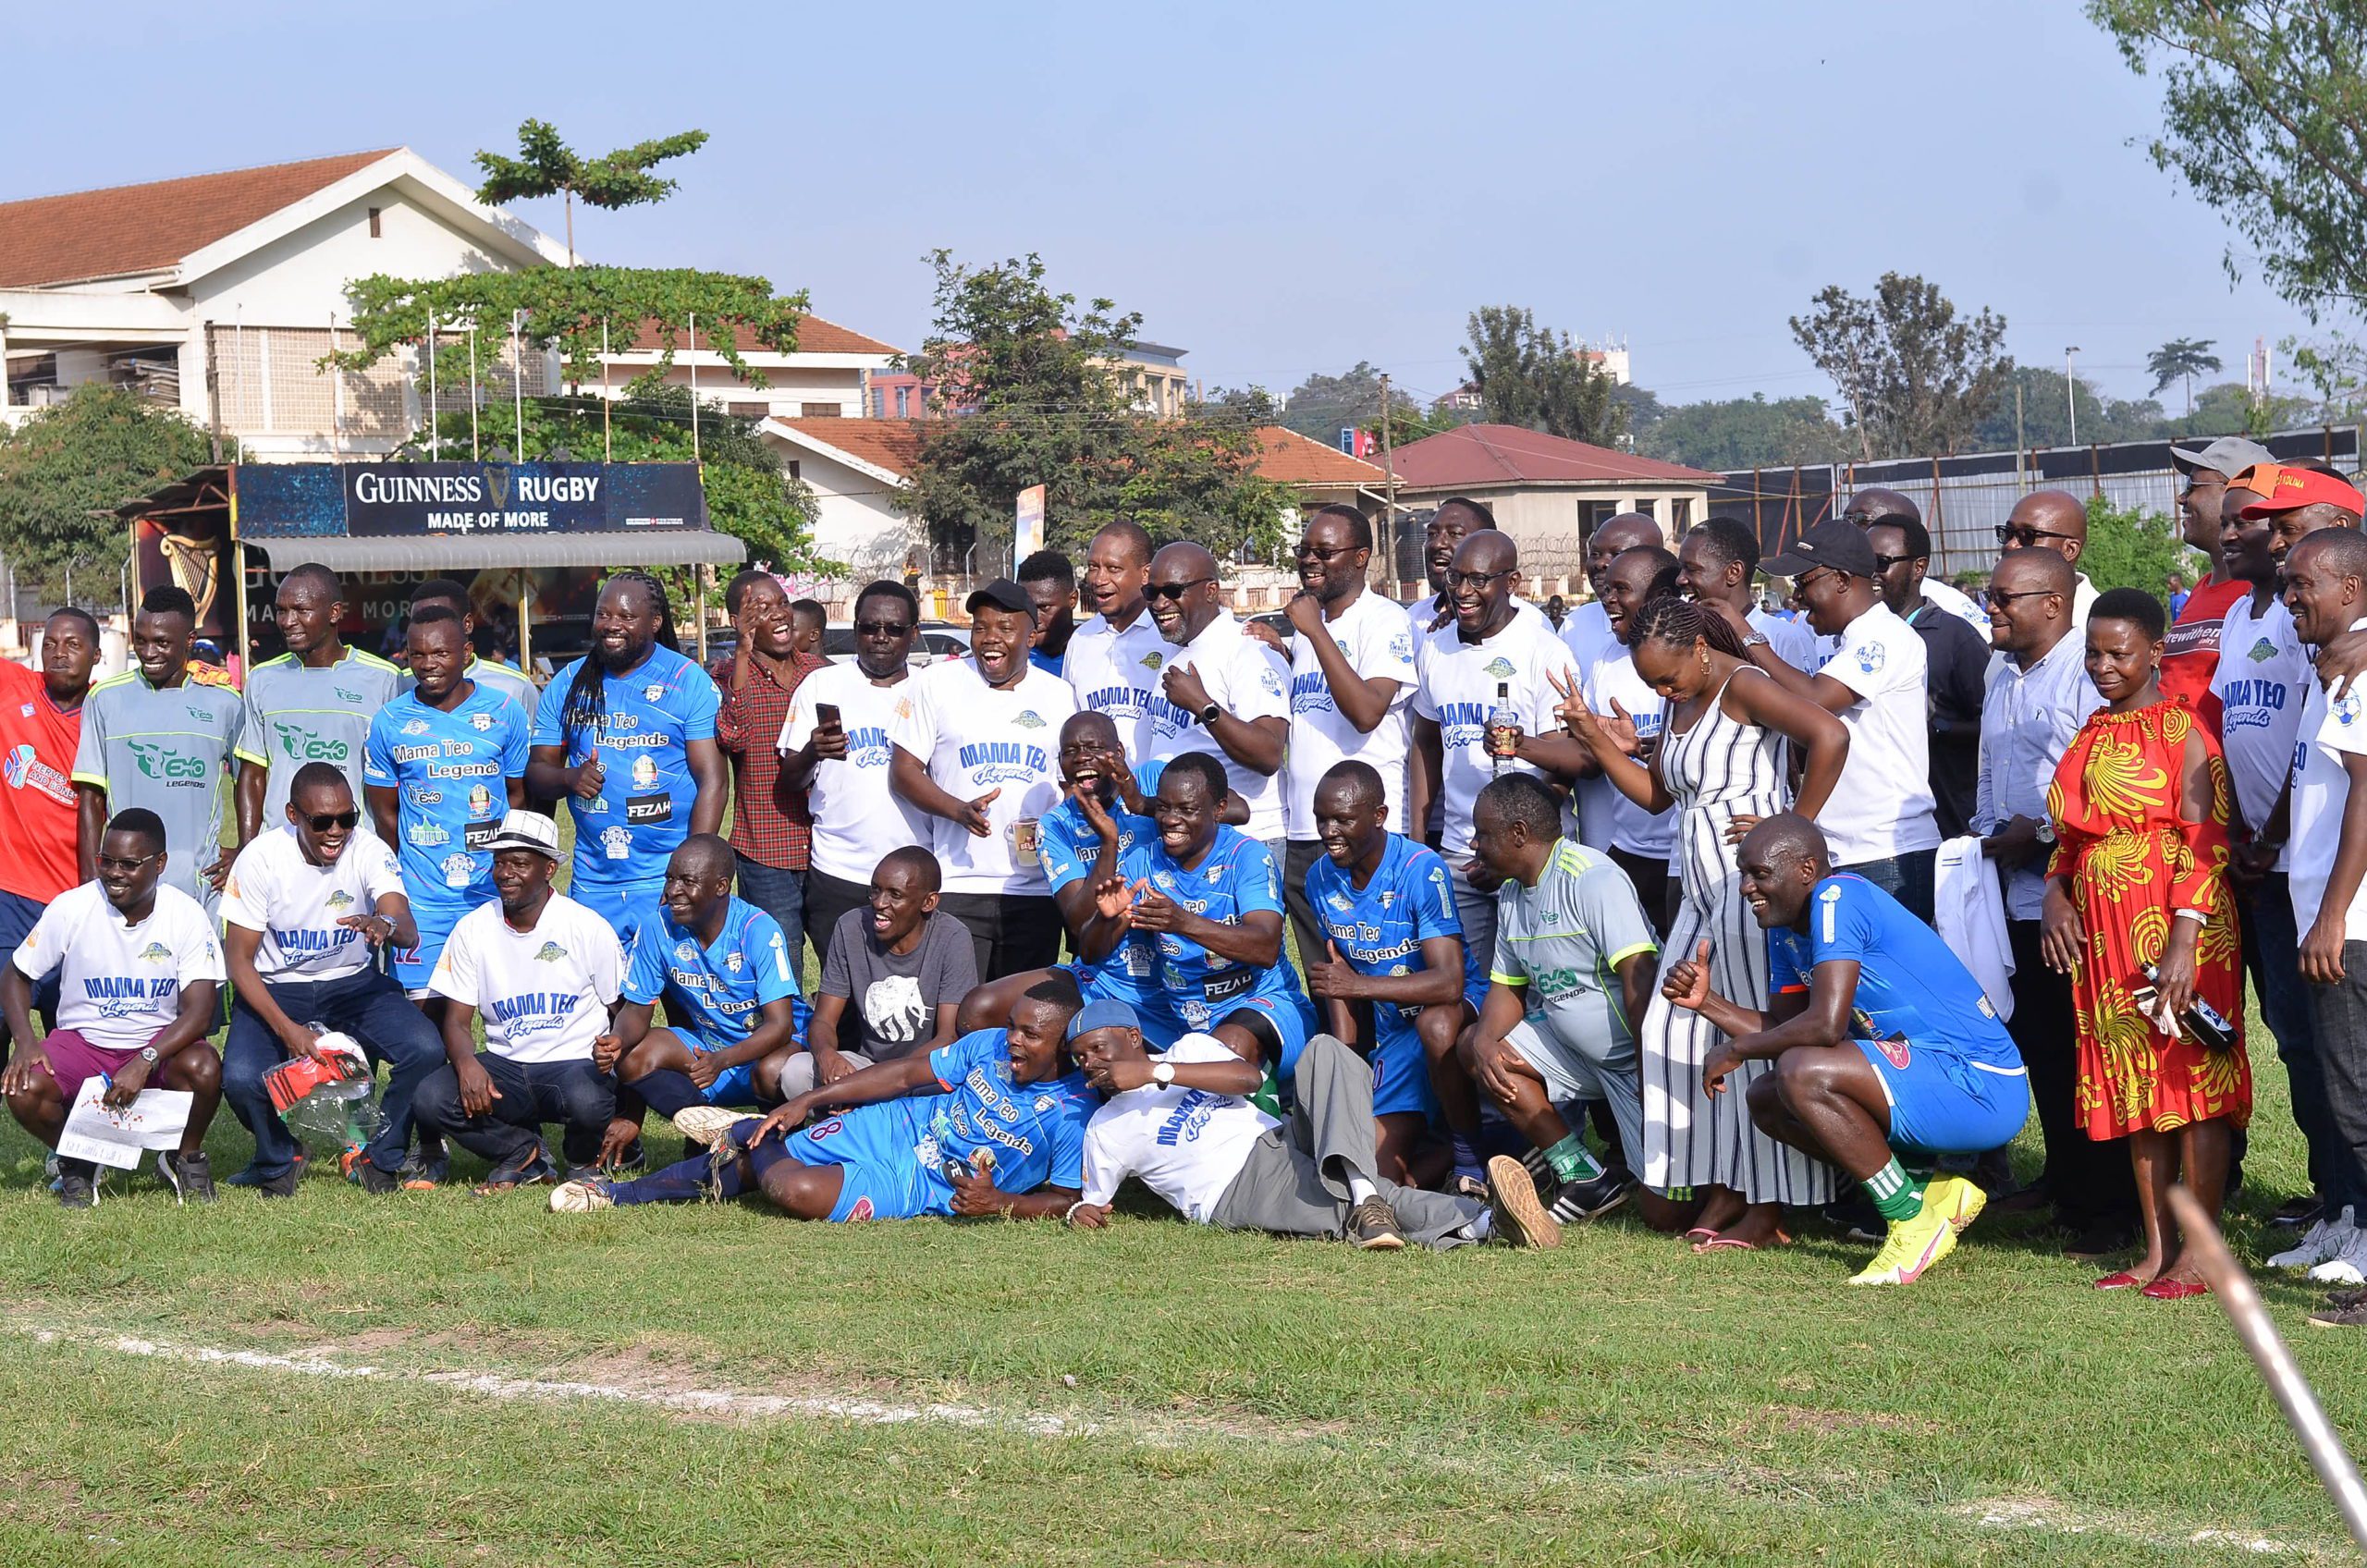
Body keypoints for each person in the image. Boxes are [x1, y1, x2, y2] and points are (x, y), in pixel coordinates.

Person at [1555, 595, 1849, 1249]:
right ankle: (1719, 1182)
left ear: (1699, 650)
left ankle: (1764, 1203)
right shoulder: (1679, 699)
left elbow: (1831, 733)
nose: (1663, 689)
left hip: (1753, 894)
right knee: (1670, 1027)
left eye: (1668, 678)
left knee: (1746, 1042)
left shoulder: (1745, 685)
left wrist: (1794, 828)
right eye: (1653, 682)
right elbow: (1658, 796)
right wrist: (1591, 733)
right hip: (1700, 894)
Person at [1659, 815, 2028, 1285]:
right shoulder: (1785, 925)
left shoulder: (1838, 897)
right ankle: (1928, 1197)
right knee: (1767, 1098)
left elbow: (1826, 1026)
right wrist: (1707, 1003)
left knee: (1801, 1071)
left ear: (1808, 869)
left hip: (1979, 1083)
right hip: (1932, 1078)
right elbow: (1788, 1027)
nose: (1748, 886)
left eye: (1761, 874)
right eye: (1744, 874)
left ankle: (1909, 1221)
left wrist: (1739, 1049)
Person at [2042, 588, 2245, 1298]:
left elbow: (2207, 838)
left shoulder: (2185, 730)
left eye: (2118, 653)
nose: (2102, 665)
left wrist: (2184, 943)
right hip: (2108, 932)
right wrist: (2055, 892)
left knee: (2193, 1085)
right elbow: (2070, 835)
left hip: (2180, 922)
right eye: (2094, 652)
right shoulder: (2092, 731)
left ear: (2156, 653)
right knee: (2138, 1082)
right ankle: (2157, 1251)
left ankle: (2202, 1251)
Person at [552, 973, 1097, 1222]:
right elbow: (906, 1077)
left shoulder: (1072, 1115)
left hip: (917, 1181)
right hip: (896, 1125)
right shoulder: (986, 1047)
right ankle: (616, 1196)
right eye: (1013, 1027)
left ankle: (739, 1129)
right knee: (757, 1159)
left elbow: (1066, 1198)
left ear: (1065, 1045)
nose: (1013, 1040)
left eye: (1030, 1035)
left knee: (792, 1186)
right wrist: (809, 1101)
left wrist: (1001, 1203)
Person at [1067, 1000, 1557, 1249]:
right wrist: (1077, 1215)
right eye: (1079, 1058)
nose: (1089, 1063)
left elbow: (1245, 1077)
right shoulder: (1107, 1129)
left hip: (1279, 1132)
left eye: (1097, 1049)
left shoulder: (1186, 1051)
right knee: (1347, 1202)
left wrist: (1155, 1072)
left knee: (1326, 1049)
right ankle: (1484, 1225)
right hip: (1236, 1186)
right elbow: (1091, 1202)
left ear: (1132, 1037)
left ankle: (1369, 1199)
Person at [1971, 549, 2128, 1252]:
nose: (1992, 608)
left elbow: (2108, 788)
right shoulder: (1999, 669)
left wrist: (2036, 835)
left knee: (2084, 1051)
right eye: (1990, 594)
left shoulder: (2087, 672)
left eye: (2006, 598)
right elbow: (1987, 766)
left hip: (2077, 892)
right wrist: (1986, 833)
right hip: (2011, 890)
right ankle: (2066, 1184)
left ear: (2054, 604)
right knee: (2041, 1046)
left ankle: (2108, 1208)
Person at [2214, 491, 2343, 1247]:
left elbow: (2313, 743)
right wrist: (2239, 830)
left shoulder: (2318, 629)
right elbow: (2242, 728)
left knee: (2336, 1045)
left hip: (2306, 858)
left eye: (2261, 524)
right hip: (2259, 859)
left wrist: (2273, 831)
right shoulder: (2241, 615)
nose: (2238, 532)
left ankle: (2347, 1203)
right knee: (2292, 1035)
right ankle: (2334, 1198)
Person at [1459, 774, 1672, 1229]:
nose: (1473, 843)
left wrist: (1652, 1071)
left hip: (1632, 1064)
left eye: (1483, 833)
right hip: (1571, 1052)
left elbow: (1639, 978)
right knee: (1477, 1048)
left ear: (1519, 833)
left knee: (1666, 1214)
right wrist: (1483, 1043)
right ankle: (1584, 1174)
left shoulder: (1592, 878)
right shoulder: (1514, 894)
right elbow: (1507, 987)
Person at [217, 763, 440, 1196]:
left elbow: (407, 925)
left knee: (425, 1049)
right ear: (293, 815)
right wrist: (288, 1030)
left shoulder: (369, 849)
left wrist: (385, 924)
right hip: (277, 988)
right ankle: (281, 1157)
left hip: (352, 984)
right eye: (321, 821)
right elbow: (238, 961)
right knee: (242, 1077)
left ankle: (379, 1156)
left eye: (347, 818)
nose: (336, 830)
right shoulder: (261, 859)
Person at [0, 808, 225, 1207]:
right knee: (23, 1086)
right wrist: (24, 1040)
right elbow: (16, 975)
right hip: (84, 1044)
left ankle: (184, 1157)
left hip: (156, 1047)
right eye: (106, 861)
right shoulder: (72, 907)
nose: (113, 873)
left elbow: (200, 1012)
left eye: (129, 864)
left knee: (205, 1066)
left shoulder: (186, 914)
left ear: (160, 864)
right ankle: (78, 1158)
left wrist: (145, 1059)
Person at [411, 811, 627, 1193]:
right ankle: (522, 1152)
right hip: (506, 1065)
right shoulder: (473, 928)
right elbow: (457, 1021)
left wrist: (622, 1087)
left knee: (587, 1098)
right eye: (499, 863)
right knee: (430, 1097)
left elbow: (621, 1011)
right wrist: (465, 1064)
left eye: (519, 863)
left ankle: (580, 1161)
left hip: (572, 1063)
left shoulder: (586, 926)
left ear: (548, 869)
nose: (505, 873)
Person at [1074, 752, 1318, 1080]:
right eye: (1162, 807)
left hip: (1261, 1003)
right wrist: (1106, 919)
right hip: (1180, 1018)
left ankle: (1271, 1109)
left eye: (1186, 809)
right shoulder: (1141, 863)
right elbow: (1090, 954)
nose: (1170, 819)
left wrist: (1182, 922)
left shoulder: (1247, 857)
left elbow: (1266, 947)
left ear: (1218, 810)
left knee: (1222, 1050)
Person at [1409, 530, 1586, 973]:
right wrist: (1416, 847)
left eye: (1479, 580)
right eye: (1456, 578)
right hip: (1459, 855)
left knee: (1542, 987)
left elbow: (1570, 763)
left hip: (1532, 857)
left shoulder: (1545, 653)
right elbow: (1426, 745)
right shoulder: (1434, 647)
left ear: (1513, 582)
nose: (1463, 592)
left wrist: (1508, 850)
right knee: (1463, 988)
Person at [1304, 760, 1485, 1188]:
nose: (1329, 831)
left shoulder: (1421, 868)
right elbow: (1337, 980)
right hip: (1395, 1032)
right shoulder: (1319, 879)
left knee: (1436, 1024)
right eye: (1321, 818)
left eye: (1343, 819)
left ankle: (1471, 1159)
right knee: (1370, 1175)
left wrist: (1359, 986)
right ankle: (1490, 1151)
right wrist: (1349, 1071)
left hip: (1458, 1008)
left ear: (1379, 816)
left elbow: (1450, 983)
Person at [1748, 521, 1941, 921]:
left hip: (1886, 853)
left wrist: (1749, 639)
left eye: (1803, 582)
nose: (1797, 598)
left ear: (1840, 580)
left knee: (1882, 982)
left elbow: (1816, 701)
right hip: (1850, 849)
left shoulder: (1884, 637)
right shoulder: (1847, 641)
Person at [528, 571, 727, 954]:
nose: (611, 626)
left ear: (654, 622)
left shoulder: (687, 681)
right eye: (603, 615)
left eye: (625, 617)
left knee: (683, 1000)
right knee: (603, 1004)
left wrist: (690, 876)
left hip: (665, 877)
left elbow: (713, 782)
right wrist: (569, 777)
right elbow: (537, 773)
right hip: (595, 880)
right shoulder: (568, 682)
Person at [889, 577, 1076, 979]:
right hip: (959, 882)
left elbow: (1070, 782)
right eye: (980, 627)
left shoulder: (1059, 695)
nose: (990, 638)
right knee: (960, 1010)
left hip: (1036, 887)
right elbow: (903, 771)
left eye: (1005, 628)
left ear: (1032, 635)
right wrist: (957, 810)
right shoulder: (937, 682)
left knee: (1025, 1014)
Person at [1254, 504, 1417, 965]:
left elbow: (1366, 711)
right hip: (1307, 830)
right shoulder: (1308, 630)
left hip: (1368, 831)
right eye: (1304, 551)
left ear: (1361, 556)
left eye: (1324, 552)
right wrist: (1286, 651)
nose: (1310, 561)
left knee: (1382, 968)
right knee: (1323, 973)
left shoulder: (1383, 620)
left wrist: (1315, 633)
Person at [2276, 529, 2367, 1300]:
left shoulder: (2360, 671)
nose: (2291, 595)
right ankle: (2350, 1218)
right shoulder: (2328, 664)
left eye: (2304, 582)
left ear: (2352, 589)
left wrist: (2334, 915)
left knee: (2357, 1092)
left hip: (2353, 925)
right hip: (2322, 912)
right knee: (2336, 1090)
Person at [597, 835, 807, 1155]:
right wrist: (617, 1040)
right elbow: (637, 1011)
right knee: (634, 1056)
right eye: (670, 878)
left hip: (768, 1049)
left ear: (721, 887)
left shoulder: (758, 929)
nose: (672, 891)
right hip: (708, 1047)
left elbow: (780, 1026)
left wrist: (722, 1061)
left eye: (687, 881)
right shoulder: (657, 927)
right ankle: (706, 1131)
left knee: (772, 1071)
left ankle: (773, 1140)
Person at [362, 606, 531, 1002]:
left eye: (440, 653)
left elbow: (519, 796)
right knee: (425, 1029)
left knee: (508, 1013)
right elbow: (385, 813)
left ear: (466, 652)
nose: (427, 665)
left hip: (492, 893)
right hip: (423, 901)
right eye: (416, 654)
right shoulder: (388, 722)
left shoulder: (505, 713)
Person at [73, 585, 252, 910]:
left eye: (162, 642)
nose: (149, 652)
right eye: (140, 640)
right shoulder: (105, 700)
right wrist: (90, 881)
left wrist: (245, 849)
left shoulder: (225, 702)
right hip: (124, 886)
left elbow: (250, 782)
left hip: (201, 887)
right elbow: (91, 797)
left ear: (189, 641)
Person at [780, 580, 927, 974]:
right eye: (869, 627)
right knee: (843, 995)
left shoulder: (932, 690)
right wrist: (813, 750)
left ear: (914, 633)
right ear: (855, 629)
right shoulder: (822, 684)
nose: (881, 637)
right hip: (839, 871)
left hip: (915, 873)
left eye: (894, 629)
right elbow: (789, 781)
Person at [711, 568, 827, 971]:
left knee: (840, 960)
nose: (778, 613)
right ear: (738, 621)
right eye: (760, 608)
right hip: (766, 848)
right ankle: (786, 1035)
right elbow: (734, 738)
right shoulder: (726, 675)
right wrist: (742, 652)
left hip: (826, 846)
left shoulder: (818, 672)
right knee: (780, 967)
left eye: (781, 603)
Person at [1141, 542, 1290, 850]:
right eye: (1151, 593)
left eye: (1172, 591)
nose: (1159, 603)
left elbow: (1269, 754)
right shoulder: (1174, 649)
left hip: (1247, 839)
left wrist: (1202, 705)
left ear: (1210, 591)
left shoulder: (1249, 650)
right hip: (1185, 837)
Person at [236, 564, 402, 832]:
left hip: (352, 845)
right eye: (281, 611)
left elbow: (396, 778)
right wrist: (247, 850)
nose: (288, 622)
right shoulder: (262, 679)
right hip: (283, 851)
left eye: (301, 610)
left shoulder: (383, 679)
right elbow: (253, 772)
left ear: (334, 613)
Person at [801, 845, 977, 1093]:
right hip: (866, 1065)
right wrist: (828, 1057)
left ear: (929, 902)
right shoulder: (851, 926)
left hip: (919, 1071)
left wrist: (874, 1084)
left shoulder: (953, 937)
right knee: (790, 1071)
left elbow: (947, 1037)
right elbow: (823, 1020)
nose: (880, 903)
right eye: (875, 890)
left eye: (895, 894)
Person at [0, 607, 101, 1025]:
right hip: (10, 895)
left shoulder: (108, 713)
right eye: (50, 644)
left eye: (73, 645)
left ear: (96, 655)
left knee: (75, 1032)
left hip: (76, 902)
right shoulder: (13, 689)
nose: (59, 654)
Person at [1578, 545, 1682, 930]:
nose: (1607, 598)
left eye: (1620, 589)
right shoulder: (1607, 658)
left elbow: (1660, 796)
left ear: (1660, 599)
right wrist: (1591, 735)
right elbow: (1592, 754)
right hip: (1628, 851)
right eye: (1606, 589)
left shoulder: (1702, 666)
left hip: (1681, 855)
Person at [1867, 517, 1989, 839]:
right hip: (1879, 827)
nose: (1871, 574)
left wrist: (1939, 728)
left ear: (1918, 568)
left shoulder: (1954, 636)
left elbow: (1995, 725)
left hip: (1947, 821)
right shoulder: (1857, 636)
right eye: (1864, 563)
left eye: (1881, 563)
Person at [1558, 510, 1661, 851]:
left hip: (1670, 828)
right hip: (1606, 822)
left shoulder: (1691, 636)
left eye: (1616, 555)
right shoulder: (1575, 627)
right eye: (1595, 553)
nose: (1602, 564)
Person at [2162, 439, 2275, 728]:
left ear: (2234, 490)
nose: (2181, 498)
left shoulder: (2265, 594)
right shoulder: (2200, 588)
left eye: (2193, 486)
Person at [1061, 521, 1164, 761]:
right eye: (1093, 567)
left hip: (1158, 794)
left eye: (1113, 568)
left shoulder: (1168, 636)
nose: (1098, 579)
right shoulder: (1081, 640)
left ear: (1145, 574)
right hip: (1102, 795)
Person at [1678, 516, 1817, 674]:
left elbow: (1806, 697)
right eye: (1681, 569)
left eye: (1691, 569)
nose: (1680, 579)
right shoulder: (1684, 638)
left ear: (1734, 572)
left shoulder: (1786, 638)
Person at [1837, 488, 1989, 634]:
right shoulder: (1831, 604)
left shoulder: (1950, 605)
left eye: (1860, 519)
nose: (1847, 529)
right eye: (1845, 520)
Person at [403, 578, 539, 714]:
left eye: (443, 619)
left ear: (467, 624)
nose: (430, 630)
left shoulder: (514, 686)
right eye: (420, 620)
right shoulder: (402, 683)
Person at [1996, 492, 2101, 624]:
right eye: (2008, 533)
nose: (2010, 545)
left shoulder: (2096, 625)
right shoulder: (1993, 613)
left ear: (2070, 549)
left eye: (2027, 536)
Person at [1018, 548, 1080, 676]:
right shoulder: (1008, 659)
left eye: (1044, 607)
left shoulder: (1098, 654)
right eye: (1027, 607)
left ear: (1072, 600)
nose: (1034, 618)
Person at [788, 599, 828, 667]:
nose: (784, 634)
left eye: (792, 629)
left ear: (814, 635)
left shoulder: (833, 674)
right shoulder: (788, 671)